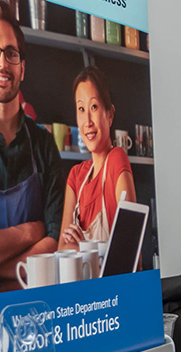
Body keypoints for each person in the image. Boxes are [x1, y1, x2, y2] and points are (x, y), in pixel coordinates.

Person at [0, 0, 65, 291]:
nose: (2, 63)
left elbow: (55, 240)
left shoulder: (45, 145)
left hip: (39, 307)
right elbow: (41, 236)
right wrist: (28, 233)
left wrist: (2, 274)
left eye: (11, 54)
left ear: (22, 68)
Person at [59, 65, 137, 249]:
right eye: (81, 109)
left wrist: (82, 247)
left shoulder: (116, 159)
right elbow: (61, 250)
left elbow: (130, 253)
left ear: (109, 115)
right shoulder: (76, 176)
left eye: (93, 106)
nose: (87, 121)